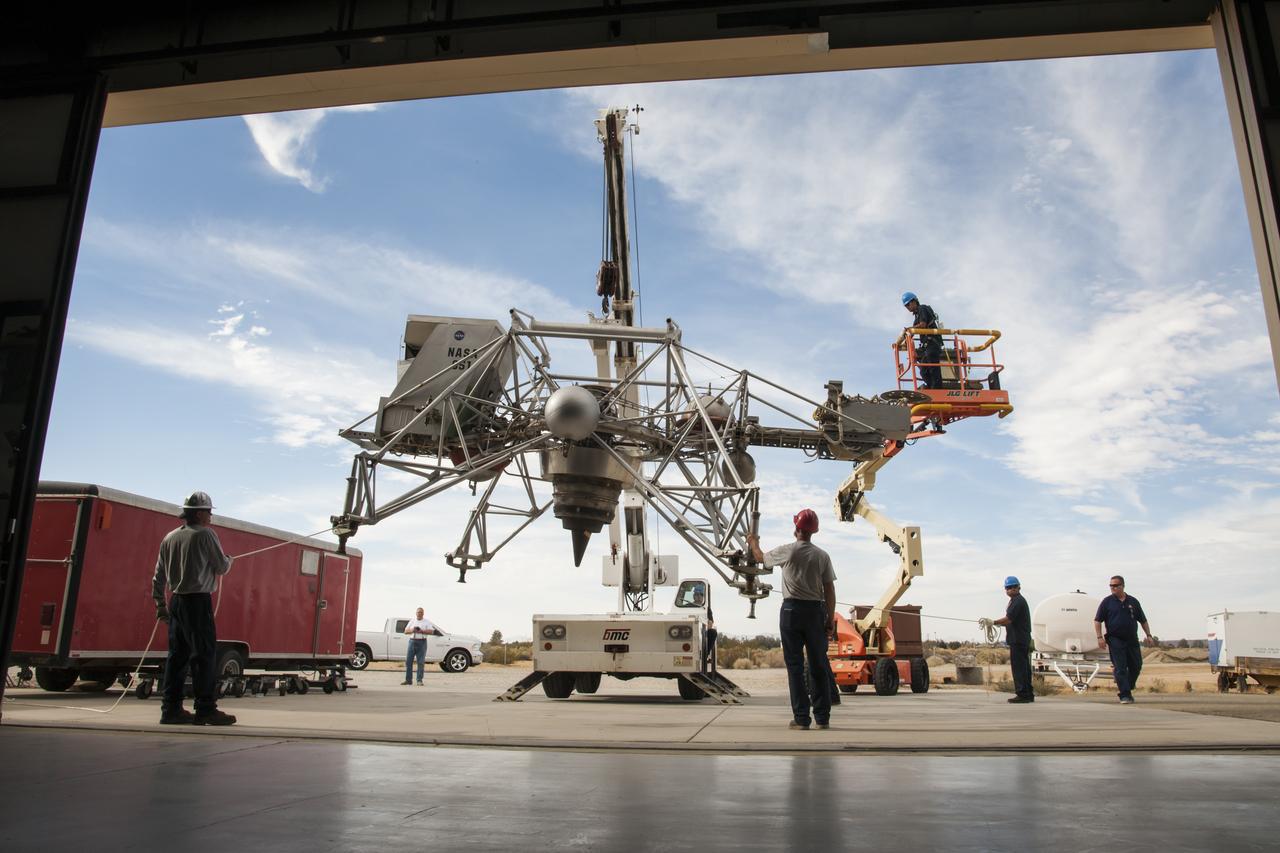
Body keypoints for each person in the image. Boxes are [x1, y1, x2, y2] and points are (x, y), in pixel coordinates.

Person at [151, 491, 236, 726]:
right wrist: (230, 560)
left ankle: (171, 710)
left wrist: (160, 605)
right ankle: (206, 709)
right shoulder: (206, 535)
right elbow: (221, 567)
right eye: (209, 512)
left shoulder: (169, 538)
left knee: (177, 658)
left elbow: (158, 576)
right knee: (204, 656)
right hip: (197, 602)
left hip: (176, 601)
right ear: (199, 513)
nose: (210, 517)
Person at [747, 509, 837, 731]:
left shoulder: (787, 551)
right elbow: (829, 589)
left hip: (791, 611)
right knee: (818, 664)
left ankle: (801, 718)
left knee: (795, 666)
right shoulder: (822, 556)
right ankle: (823, 717)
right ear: (813, 531)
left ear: (796, 529)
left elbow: (760, 558)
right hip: (816, 611)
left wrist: (753, 541)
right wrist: (830, 619)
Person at [1094, 576, 1155, 704]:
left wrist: (1149, 635)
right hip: (1115, 639)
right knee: (1120, 667)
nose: (1113, 588)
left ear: (1122, 586)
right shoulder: (1107, 602)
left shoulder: (1133, 602)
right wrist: (1099, 637)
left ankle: (1127, 685)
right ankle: (1125, 694)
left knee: (1136, 665)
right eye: (1111, 586)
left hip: (1132, 639)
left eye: (1115, 585)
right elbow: (1098, 620)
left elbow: (1143, 620)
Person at [992, 576, 1034, 704]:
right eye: (1007, 588)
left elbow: (1008, 619)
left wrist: (993, 622)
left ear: (1018, 587)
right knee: (1024, 668)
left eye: (1012, 587)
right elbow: (1009, 621)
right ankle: (1028, 693)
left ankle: (1022, 694)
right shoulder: (1016, 601)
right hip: (1021, 639)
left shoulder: (1017, 601)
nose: (1010, 590)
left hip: (1018, 639)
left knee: (1019, 668)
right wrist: (999, 623)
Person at [902, 291, 944, 389]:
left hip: (932, 343)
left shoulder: (922, 308)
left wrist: (910, 329)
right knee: (923, 368)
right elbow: (913, 331)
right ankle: (931, 387)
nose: (908, 307)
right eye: (906, 306)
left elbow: (923, 325)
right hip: (926, 345)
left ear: (914, 301)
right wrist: (904, 341)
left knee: (933, 366)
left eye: (908, 304)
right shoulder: (916, 317)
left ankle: (937, 389)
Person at [403, 608, 434, 685]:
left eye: (421, 612)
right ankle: (408, 680)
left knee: (420, 662)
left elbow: (431, 631)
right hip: (412, 641)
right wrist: (412, 630)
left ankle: (419, 680)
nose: (419, 613)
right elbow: (405, 631)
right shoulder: (412, 621)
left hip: (422, 642)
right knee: (408, 661)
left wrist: (422, 631)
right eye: (418, 612)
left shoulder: (427, 622)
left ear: (423, 613)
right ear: (415, 613)